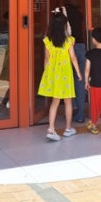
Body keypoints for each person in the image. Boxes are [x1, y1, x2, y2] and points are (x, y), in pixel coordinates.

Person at [37, 8, 82, 141]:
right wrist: (78, 72)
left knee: (54, 102)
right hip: (65, 74)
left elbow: (46, 59)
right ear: (64, 26)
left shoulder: (47, 41)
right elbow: (73, 58)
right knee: (68, 102)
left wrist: (46, 73)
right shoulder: (69, 41)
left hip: (53, 74)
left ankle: (51, 129)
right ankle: (68, 129)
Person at [63, 0, 87, 123]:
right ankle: (80, 114)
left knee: (67, 80)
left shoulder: (63, 11)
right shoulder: (79, 14)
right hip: (80, 46)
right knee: (80, 80)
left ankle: (71, 109)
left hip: (67, 47)